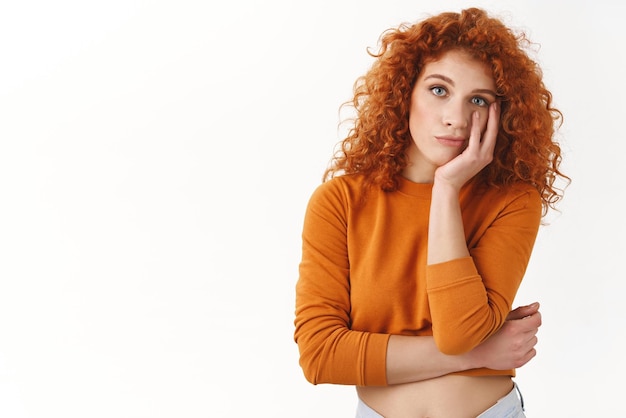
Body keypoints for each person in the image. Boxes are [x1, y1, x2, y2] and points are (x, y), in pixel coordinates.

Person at [293, 7, 569, 418]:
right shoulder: (340, 201)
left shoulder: (511, 201)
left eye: (478, 100)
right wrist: (479, 354)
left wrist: (446, 187)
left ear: (500, 114)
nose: (456, 119)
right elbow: (321, 355)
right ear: (405, 90)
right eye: (439, 90)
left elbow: (459, 333)